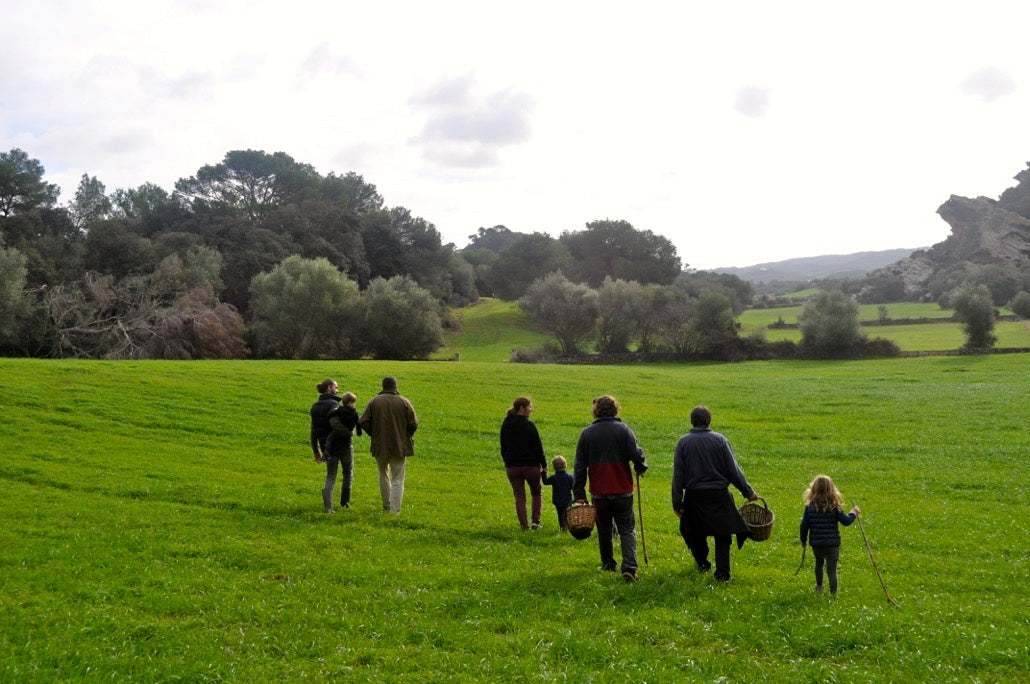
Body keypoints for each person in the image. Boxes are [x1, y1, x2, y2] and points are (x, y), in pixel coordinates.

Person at [671, 405, 760, 582]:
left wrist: (677, 501)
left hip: (694, 497)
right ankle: (722, 572)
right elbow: (733, 470)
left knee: (695, 532)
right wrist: (747, 492)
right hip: (719, 495)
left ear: (692, 421)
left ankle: (702, 562)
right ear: (709, 421)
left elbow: (678, 474)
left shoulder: (683, 443)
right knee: (723, 535)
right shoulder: (720, 440)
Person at [573, 395, 649, 582]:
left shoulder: (587, 433)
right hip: (622, 488)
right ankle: (630, 567)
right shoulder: (623, 430)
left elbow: (579, 466)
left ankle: (608, 563)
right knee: (626, 529)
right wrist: (640, 466)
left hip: (599, 490)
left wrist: (579, 494)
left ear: (596, 411)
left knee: (604, 529)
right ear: (615, 409)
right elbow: (636, 453)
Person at [359, 376, 418, 514]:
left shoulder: (374, 401)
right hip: (400, 445)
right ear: (395, 387)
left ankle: (386, 505)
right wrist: (406, 435)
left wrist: (374, 434)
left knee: (383, 474)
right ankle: (394, 509)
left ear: (383, 386)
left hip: (380, 445)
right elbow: (414, 423)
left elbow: (363, 421)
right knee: (398, 478)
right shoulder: (404, 402)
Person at [800, 474, 860, 596]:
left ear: (813, 489)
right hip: (832, 544)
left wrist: (803, 539)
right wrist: (853, 513)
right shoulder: (834, 507)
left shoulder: (810, 507)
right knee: (832, 570)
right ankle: (833, 594)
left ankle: (819, 587)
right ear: (832, 489)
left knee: (819, 563)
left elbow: (803, 525)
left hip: (816, 544)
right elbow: (846, 521)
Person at [499, 396, 547, 530]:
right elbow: (538, 447)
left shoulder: (506, 424)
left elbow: (503, 446)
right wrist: (544, 465)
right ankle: (536, 522)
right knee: (536, 493)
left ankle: (524, 526)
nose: (531, 410)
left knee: (519, 496)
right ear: (522, 408)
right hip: (531, 465)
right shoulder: (529, 425)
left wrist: (507, 461)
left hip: (512, 466)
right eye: (530, 407)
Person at [321, 392, 362, 512]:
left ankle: (328, 506)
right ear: (352, 402)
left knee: (331, 476)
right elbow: (358, 425)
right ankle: (345, 501)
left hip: (333, 447)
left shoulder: (337, 411)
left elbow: (330, 415)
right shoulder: (354, 413)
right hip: (346, 446)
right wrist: (355, 432)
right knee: (348, 474)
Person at [310, 378, 341, 464]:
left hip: (324, 448)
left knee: (330, 473)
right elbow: (337, 426)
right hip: (336, 445)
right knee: (347, 473)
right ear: (329, 387)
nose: (337, 390)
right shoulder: (334, 405)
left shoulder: (314, 406)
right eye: (336, 387)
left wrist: (316, 451)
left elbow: (314, 430)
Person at [542, 455, 575, 532]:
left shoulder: (554, 478)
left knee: (560, 514)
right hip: (567, 500)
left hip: (557, 500)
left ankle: (562, 527)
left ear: (554, 467)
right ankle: (567, 526)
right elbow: (574, 486)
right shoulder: (569, 477)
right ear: (565, 465)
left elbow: (545, 482)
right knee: (567, 514)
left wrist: (543, 472)